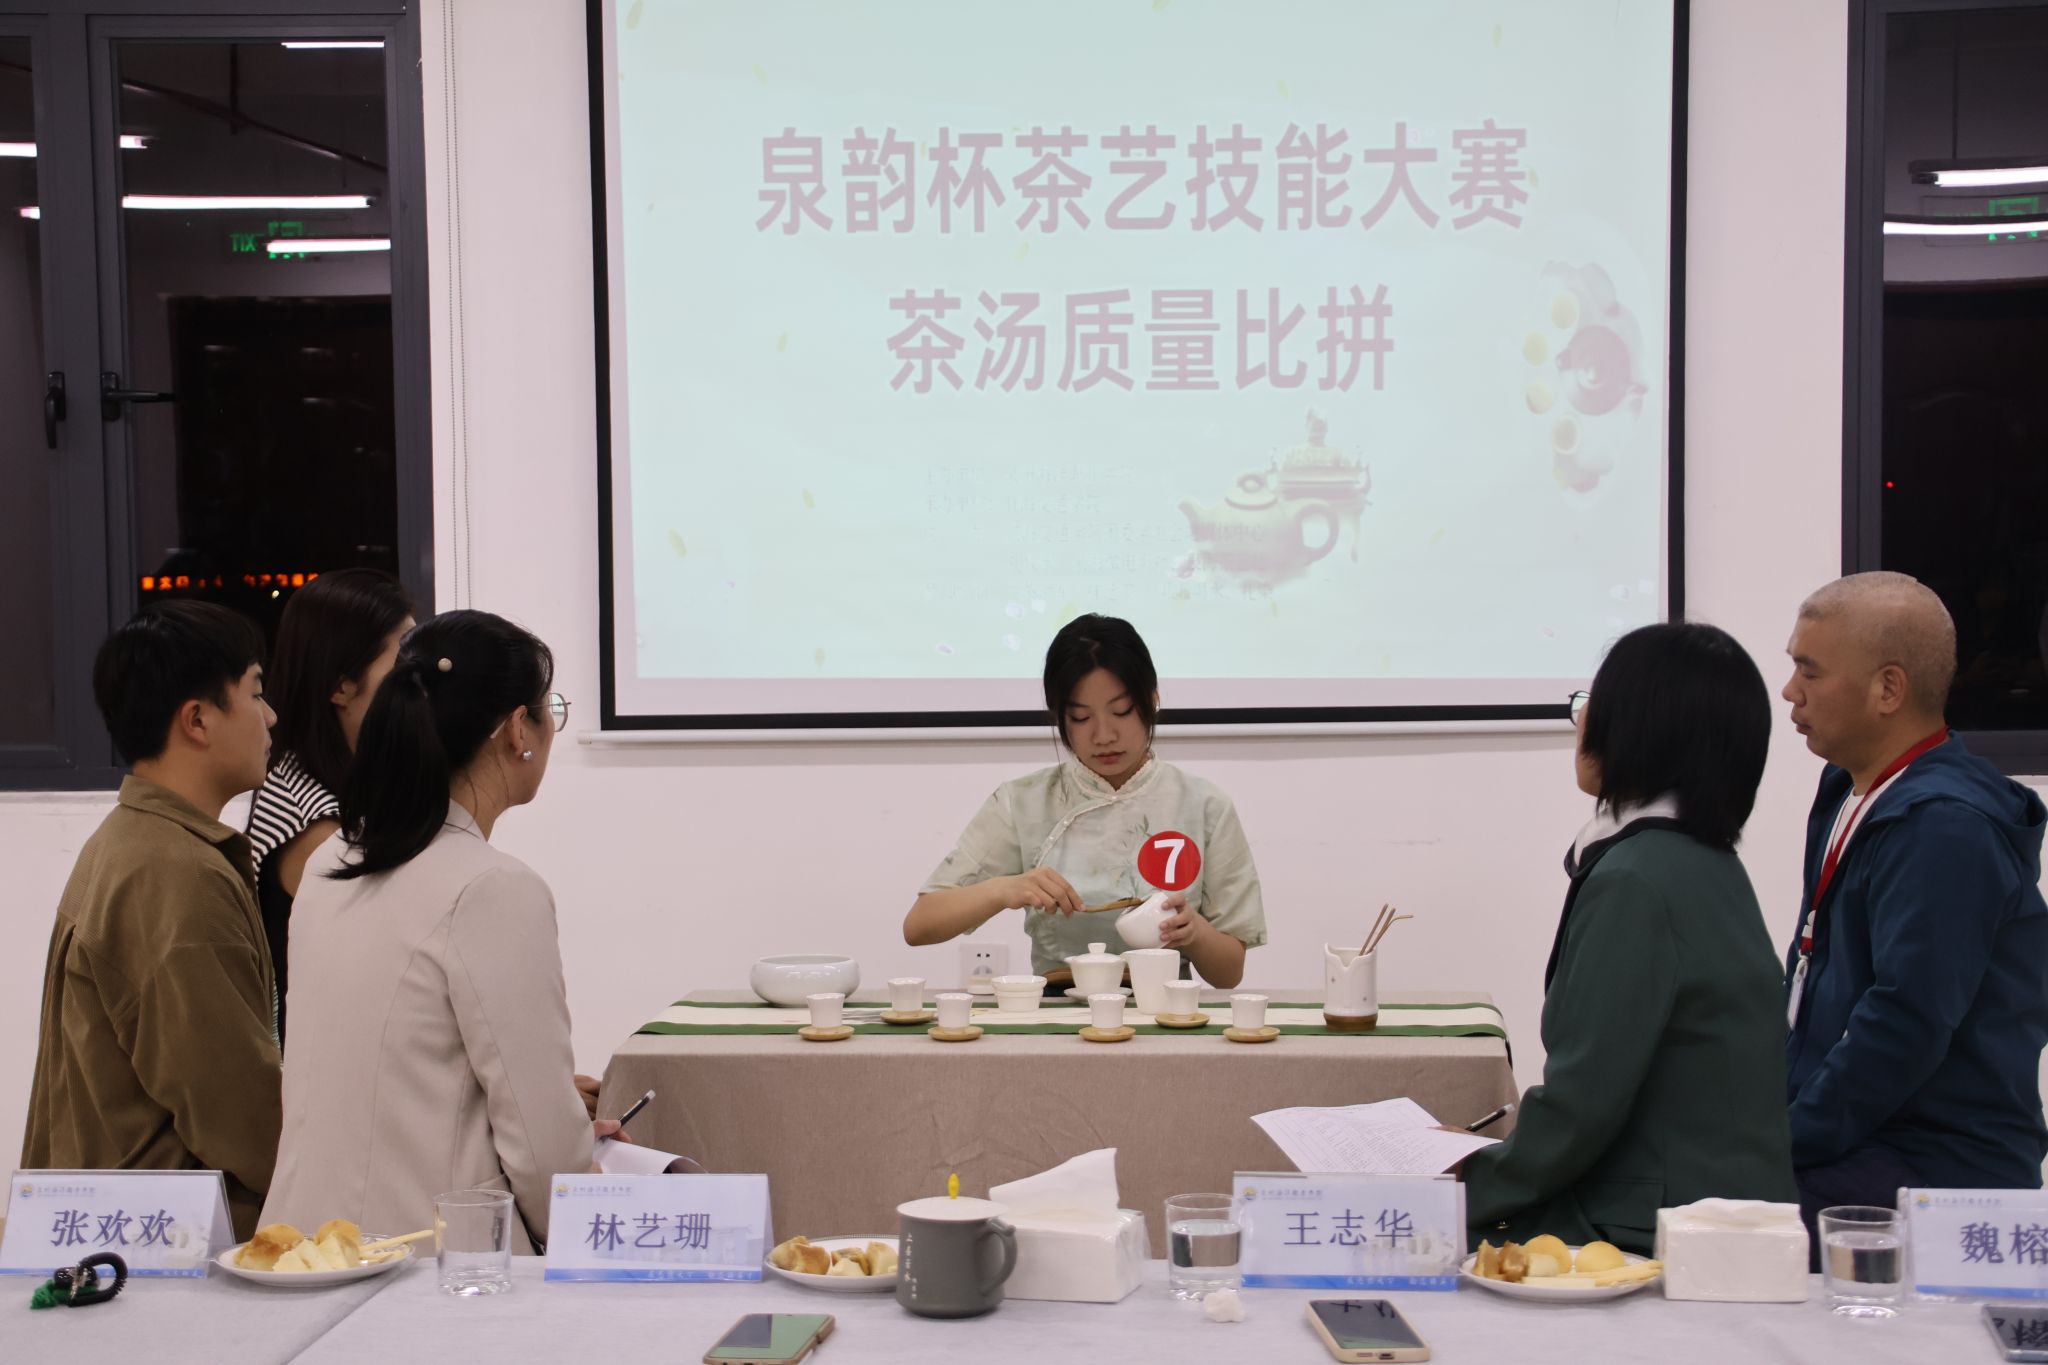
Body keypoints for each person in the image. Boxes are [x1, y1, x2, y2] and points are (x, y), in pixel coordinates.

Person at [260, 610, 615, 1251]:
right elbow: (542, 1151)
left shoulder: (332, 860)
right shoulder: (493, 887)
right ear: (518, 731)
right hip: (430, 1261)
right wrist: (583, 1186)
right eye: (551, 711)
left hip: (305, 1247)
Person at [1463, 623, 1797, 1254]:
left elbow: (1582, 1106)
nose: (1580, 721)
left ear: (1640, 727)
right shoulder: (1702, 860)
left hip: (1657, 1222)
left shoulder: (1636, 880)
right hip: (1714, 1208)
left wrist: (1461, 1183)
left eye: (1593, 702)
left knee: (1414, 1236)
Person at [1781, 572, 2047, 1233]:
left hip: (1939, 1168)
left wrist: (1780, 1142)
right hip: (1865, 1137)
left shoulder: (1945, 828)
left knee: (1704, 1213)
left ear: (1889, 689)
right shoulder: (1849, 788)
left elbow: (1903, 1026)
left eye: (1809, 671)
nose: (1790, 691)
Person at [23, 601, 283, 1239]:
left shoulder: (132, 841)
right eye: (255, 692)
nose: (271, 716)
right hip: (167, 1248)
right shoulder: (178, 874)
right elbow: (239, 1116)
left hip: (119, 1234)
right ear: (197, 720)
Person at [905, 613, 1265, 988]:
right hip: (1056, 1011)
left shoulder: (1204, 805)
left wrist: (1196, 933)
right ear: (1058, 716)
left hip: (1163, 1011)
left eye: (1122, 711)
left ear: (1152, 698)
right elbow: (919, 925)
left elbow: (1229, 974)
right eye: (1080, 717)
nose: (1104, 735)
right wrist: (1004, 889)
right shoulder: (1023, 802)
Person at [245, 568, 414, 1044]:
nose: (421, 687)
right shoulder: (311, 823)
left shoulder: (348, 783)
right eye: (405, 665)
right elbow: (405, 975)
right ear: (341, 687)